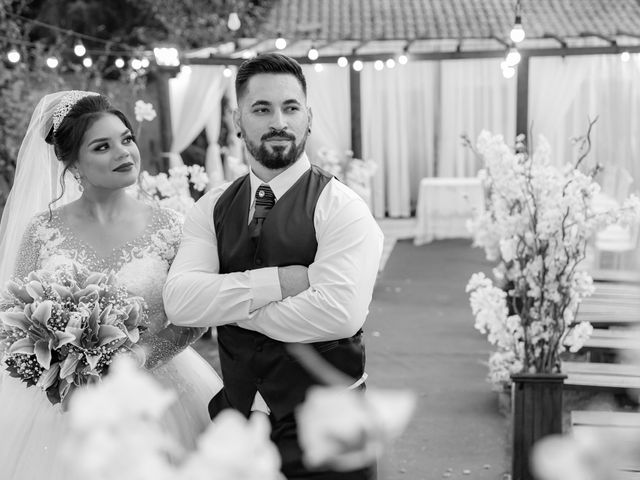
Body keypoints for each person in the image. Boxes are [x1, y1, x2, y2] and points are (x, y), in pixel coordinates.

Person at [163, 53, 383, 479]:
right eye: (261, 109)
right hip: (239, 428)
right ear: (237, 120)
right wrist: (283, 282)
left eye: (290, 107)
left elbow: (338, 314)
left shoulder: (343, 208)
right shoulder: (211, 208)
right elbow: (182, 303)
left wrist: (227, 306)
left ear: (309, 117)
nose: (278, 121)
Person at [0, 91, 223, 479]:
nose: (124, 153)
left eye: (127, 139)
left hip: (159, 393)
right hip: (61, 404)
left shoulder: (171, 226)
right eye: (103, 146)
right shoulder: (42, 230)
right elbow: (13, 315)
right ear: (73, 165)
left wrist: (139, 359)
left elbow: (196, 316)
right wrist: (61, 365)